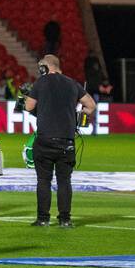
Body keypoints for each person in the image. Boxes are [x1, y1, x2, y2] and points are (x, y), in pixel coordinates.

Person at [24, 55, 95, 228]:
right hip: (66, 141)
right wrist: (79, 116)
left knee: (43, 180)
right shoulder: (72, 84)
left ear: (45, 68)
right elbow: (91, 105)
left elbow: (28, 106)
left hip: (45, 139)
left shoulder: (41, 82)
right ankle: (65, 219)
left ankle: (43, 218)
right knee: (64, 181)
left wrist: (32, 96)